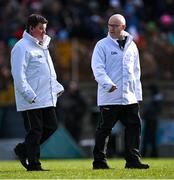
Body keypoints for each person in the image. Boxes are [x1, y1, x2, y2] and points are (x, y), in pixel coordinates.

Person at [91, 14, 149, 169]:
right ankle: (99, 161)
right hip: (110, 96)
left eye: (115, 25)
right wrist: (108, 84)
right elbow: (97, 69)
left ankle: (132, 160)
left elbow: (136, 72)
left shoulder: (132, 45)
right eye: (110, 25)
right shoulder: (102, 45)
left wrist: (137, 95)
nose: (111, 28)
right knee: (104, 129)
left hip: (129, 97)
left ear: (123, 27)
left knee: (134, 127)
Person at [10, 14, 64, 171]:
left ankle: (23, 149)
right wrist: (29, 94)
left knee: (52, 126)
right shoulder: (21, 47)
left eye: (45, 29)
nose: (44, 32)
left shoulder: (43, 45)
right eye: (41, 29)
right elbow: (18, 75)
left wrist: (56, 87)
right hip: (31, 99)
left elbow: (47, 72)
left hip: (46, 96)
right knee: (36, 130)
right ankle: (34, 164)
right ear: (31, 28)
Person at [142, 84, 163, 157]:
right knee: (149, 137)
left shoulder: (157, 97)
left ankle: (151, 154)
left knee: (150, 137)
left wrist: (145, 114)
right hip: (151, 119)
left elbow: (156, 108)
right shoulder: (156, 97)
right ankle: (152, 154)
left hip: (152, 119)